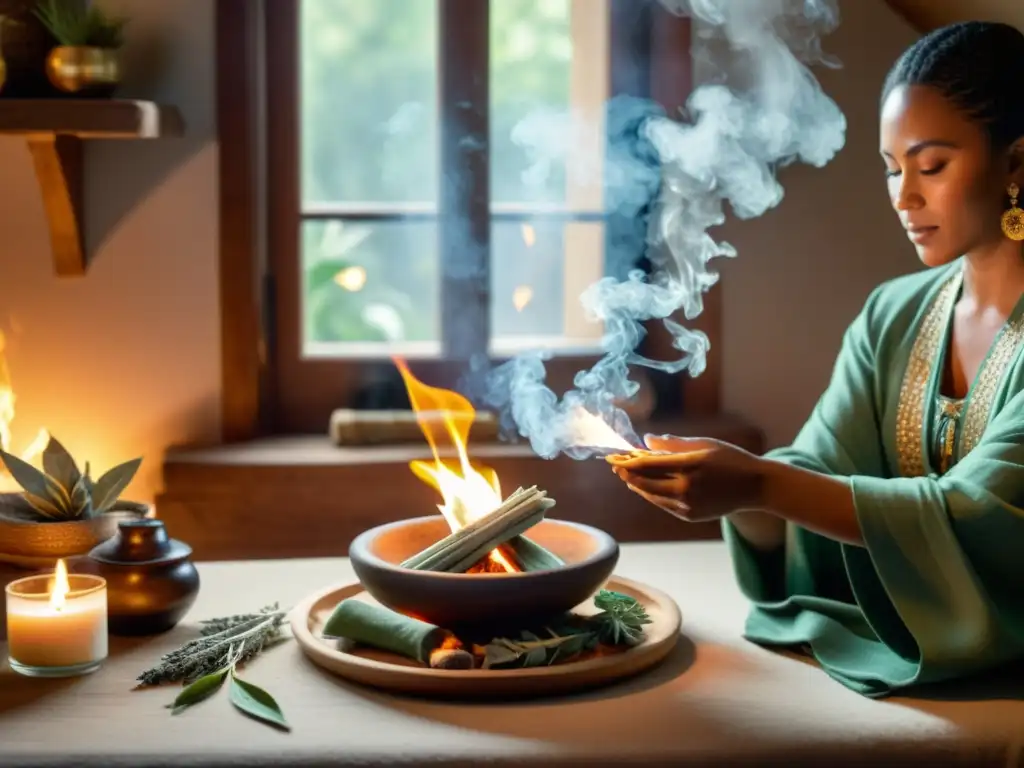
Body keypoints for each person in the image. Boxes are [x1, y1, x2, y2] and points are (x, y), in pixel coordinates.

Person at [611, 20, 1024, 698]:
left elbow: (975, 517)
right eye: (891, 169)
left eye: (931, 166)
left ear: (1015, 164)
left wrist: (758, 486)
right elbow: (819, 470)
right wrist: (734, 493)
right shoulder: (893, 313)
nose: (903, 196)